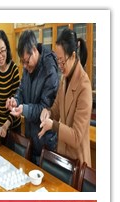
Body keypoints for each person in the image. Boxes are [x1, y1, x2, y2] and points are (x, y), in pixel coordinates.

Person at [38, 28, 92, 167]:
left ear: (73, 56)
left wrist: (53, 125)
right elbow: (56, 108)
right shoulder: (64, 78)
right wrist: (48, 112)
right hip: (63, 156)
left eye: (62, 61)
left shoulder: (84, 86)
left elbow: (76, 137)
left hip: (77, 161)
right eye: (58, 61)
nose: (59, 66)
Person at [6, 30, 59, 164]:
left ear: (34, 50)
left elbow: (45, 109)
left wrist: (24, 109)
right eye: (22, 62)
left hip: (45, 143)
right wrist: (16, 100)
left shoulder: (49, 70)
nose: (24, 66)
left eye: (26, 61)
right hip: (30, 137)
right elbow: (22, 89)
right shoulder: (28, 66)